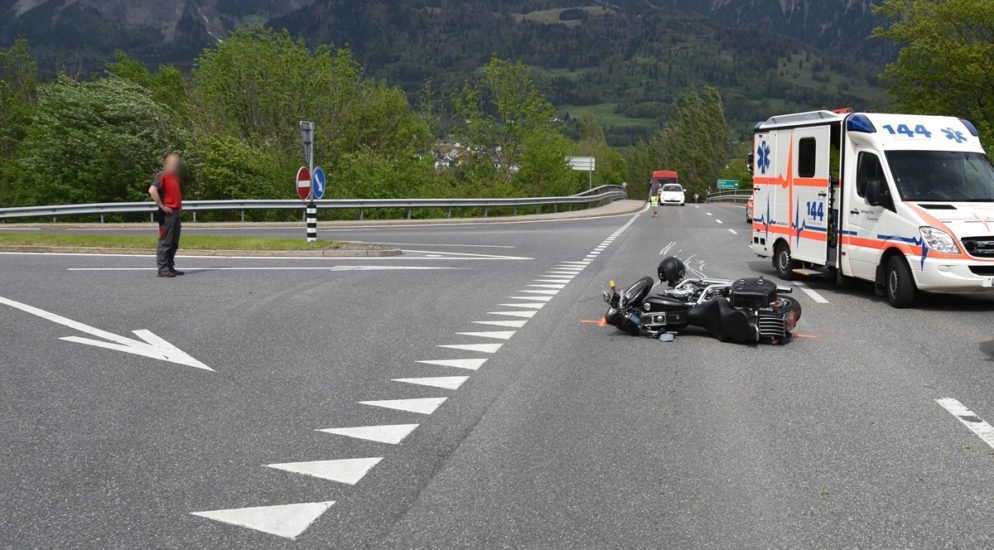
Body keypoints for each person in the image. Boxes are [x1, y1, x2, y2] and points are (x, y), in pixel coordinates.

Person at [149, 154, 184, 278]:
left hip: (175, 213)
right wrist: (162, 206)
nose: (176, 166)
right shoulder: (162, 175)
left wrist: (179, 207)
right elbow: (152, 190)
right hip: (167, 214)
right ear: (167, 164)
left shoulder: (174, 177)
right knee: (166, 242)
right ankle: (162, 268)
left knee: (174, 242)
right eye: (173, 163)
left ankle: (169, 266)